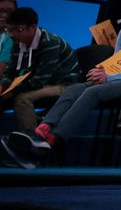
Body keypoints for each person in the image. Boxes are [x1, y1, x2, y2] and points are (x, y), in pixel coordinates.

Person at [14, 0, 121, 161]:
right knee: (74, 89)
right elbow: (116, 61)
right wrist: (102, 71)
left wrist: (109, 77)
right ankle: (42, 130)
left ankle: (54, 139)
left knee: (93, 92)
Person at [0, 8, 77, 141]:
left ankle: (31, 142)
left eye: (18, 30)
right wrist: (2, 86)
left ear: (33, 27)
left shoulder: (50, 43)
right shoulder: (18, 42)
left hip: (64, 85)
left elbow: (39, 80)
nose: (11, 35)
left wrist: (11, 92)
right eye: (9, 30)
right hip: (43, 82)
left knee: (22, 99)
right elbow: (11, 72)